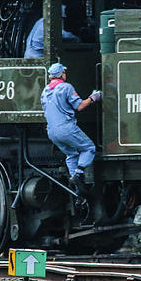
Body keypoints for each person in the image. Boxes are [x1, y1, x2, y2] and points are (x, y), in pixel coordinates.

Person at [40, 62, 101, 190]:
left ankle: (78, 189)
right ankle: (78, 174)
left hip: (51, 132)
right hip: (66, 129)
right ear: (61, 74)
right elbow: (80, 106)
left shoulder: (45, 92)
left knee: (71, 154)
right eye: (64, 72)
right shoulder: (66, 87)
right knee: (89, 148)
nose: (65, 74)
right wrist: (93, 97)